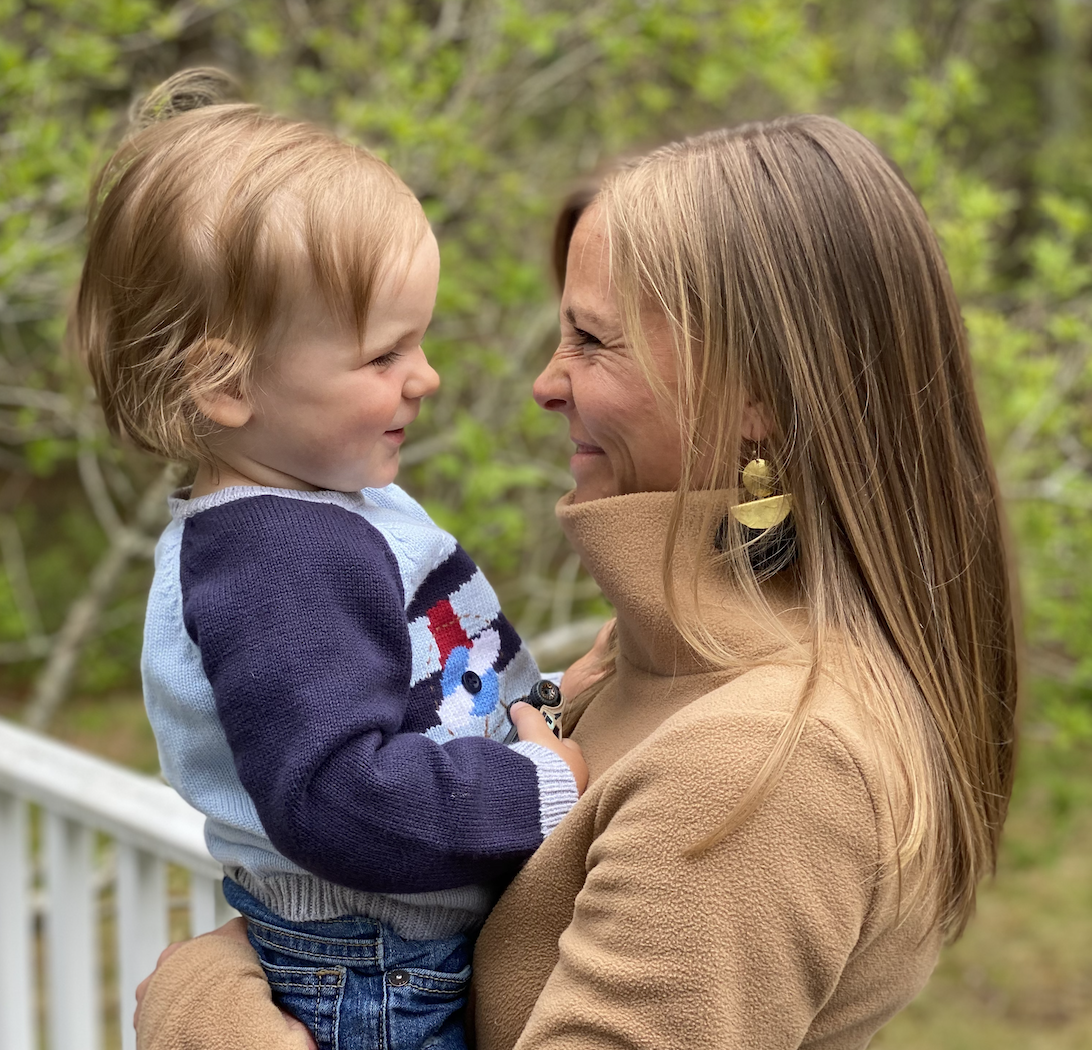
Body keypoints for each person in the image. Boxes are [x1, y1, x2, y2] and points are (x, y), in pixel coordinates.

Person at [133, 114, 1018, 1050]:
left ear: (757, 392)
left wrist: (200, 1011)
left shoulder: (766, 762)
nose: (545, 384)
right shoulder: (660, 660)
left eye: (593, 339)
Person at [71, 68, 587, 1050]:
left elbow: (427, 690)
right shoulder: (273, 561)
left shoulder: (324, 505)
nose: (424, 379)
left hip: (388, 947)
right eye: (383, 356)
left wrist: (559, 697)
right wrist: (537, 791)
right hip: (376, 967)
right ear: (225, 385)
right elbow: (336, 793)